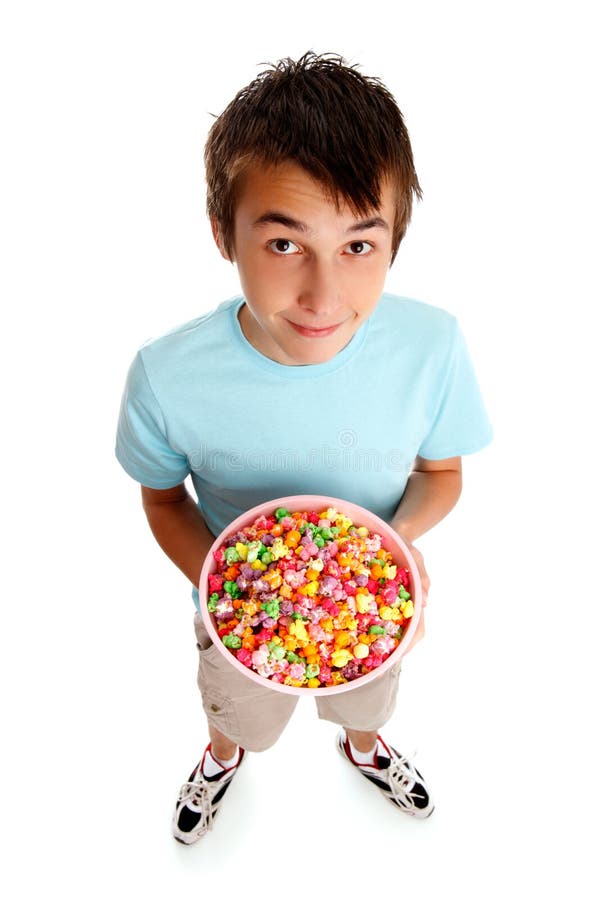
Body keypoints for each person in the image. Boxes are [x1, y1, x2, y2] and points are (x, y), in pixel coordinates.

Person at [115, 51, 493, 844]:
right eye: (285, 245)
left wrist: (389, 546)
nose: (324, 296)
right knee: (238, 712)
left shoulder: (433, 345)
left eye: (359, 246)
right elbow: (160, 498)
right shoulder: (167, 374)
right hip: (236, 618)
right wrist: (236, 593)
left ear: (395, 240)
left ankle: (365, 748)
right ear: (224, 232)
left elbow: (441, 473)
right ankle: (224, 759)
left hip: (370, 605)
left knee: (368, 698)